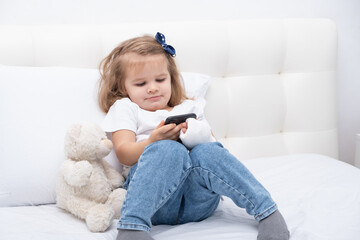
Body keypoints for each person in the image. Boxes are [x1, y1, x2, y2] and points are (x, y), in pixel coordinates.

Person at [98, 32, 289, 240]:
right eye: (141, 84)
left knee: (208, 151)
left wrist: (194, 134)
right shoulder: (127, 108)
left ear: (171, 78)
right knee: (168, 149)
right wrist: (153, 141)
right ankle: (132, 227)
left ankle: (267, 211)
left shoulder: (189, 107)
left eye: (160, 79)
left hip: (198, 203)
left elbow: (214, 149)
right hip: (154, 204)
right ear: (123, 86)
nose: (152, 88)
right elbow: (124, 153)